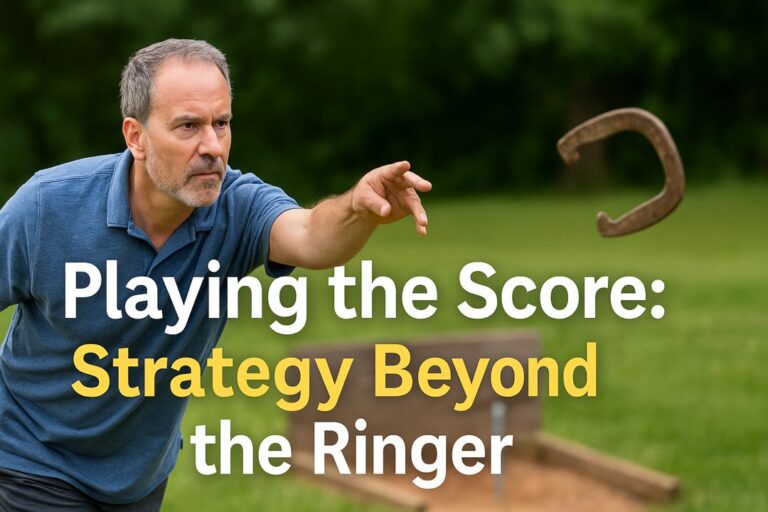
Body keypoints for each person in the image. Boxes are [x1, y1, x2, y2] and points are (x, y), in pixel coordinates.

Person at [0, 38, 431, 511]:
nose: (211, 146)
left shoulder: (237, 206)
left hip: (137, 477)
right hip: (32, 460)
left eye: (221, 124)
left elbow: (311, 236)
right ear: (135, 136)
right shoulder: (48, 207)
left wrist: (358, 208)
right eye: (188, 126)